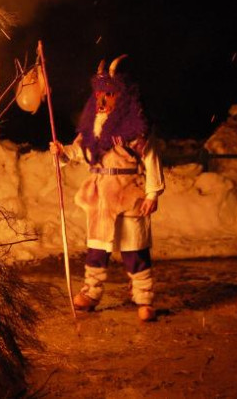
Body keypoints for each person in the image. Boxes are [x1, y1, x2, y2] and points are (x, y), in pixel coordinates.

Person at [50, 55, 165, 322]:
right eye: (100, 93)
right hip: (101, 193)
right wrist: (63, 152)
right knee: (97, 248)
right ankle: (91, 293)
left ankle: (144, 298)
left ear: (122, 96)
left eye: (109, 94)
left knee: (133, 249)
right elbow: (80, 150)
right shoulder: (92, 125)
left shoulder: (136, 128)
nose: (102, 100)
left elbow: (151, 158)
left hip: (128, 191)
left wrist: (152, 193)